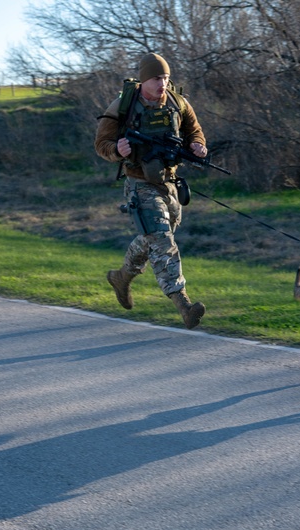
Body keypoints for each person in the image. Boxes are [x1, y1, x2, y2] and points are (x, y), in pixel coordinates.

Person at [94, 53, 209, 329]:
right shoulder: (124, 106)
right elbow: (102, 143)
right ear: (145, 79)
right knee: (161, 239)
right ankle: (183, 304)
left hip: (169, 183)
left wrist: (198, 145)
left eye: (166, 77)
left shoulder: (178, 102)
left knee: (153, 239)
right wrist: (116, 151)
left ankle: (122, 277)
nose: (163, 83)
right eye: (157, 78)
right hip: (139, 183)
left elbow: (195, 131)